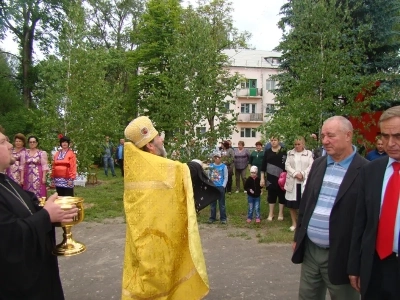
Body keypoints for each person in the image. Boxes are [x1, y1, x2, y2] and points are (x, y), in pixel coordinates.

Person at [121, 116, 211, 300]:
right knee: (154, 272)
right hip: (151, 233)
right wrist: (195, 166)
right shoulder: (150, 164)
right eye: (158, 138)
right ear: (150, 146)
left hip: (154, 229)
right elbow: (179, 172)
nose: (162, 140)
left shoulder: (139, 162)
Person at [292, 116, 368, 300]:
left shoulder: (366, 170)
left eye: (331, 136)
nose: (325, 141)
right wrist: (298, 237)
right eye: (323, 136)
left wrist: (357, 263)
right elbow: (306, 204)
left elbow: (366, 221)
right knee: (307, 296)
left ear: (348, 135)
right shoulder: (318, 164)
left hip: (341, 254)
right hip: (311, 250)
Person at [0, 128, 78, 299]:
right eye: (3, 142)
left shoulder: (5, 181)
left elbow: (28, 208)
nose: (11, 145)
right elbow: (8, 237)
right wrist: (46, 216)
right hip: (17, 284)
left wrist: (53, 211)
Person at [348, 106, 400, 300]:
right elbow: (360, 222)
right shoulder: (371, 171)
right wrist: (355, 266)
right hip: (375, 266)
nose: (390, 143)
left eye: (397, 136)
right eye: (385, 136)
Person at [284, 137, 313, 232]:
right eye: (295, 144)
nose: (297, 146)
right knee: (292, 205)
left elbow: (311, 166)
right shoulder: (290, 153)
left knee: (304, 204)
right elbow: (287, 165)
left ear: (303, 144)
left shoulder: (309, 154)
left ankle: (303, 224)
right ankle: (294, 223)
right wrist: (296, 174)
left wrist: (303, 174)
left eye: (299, 144)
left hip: (304, 181)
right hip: (293, 181)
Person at [260, 136, 287, 221]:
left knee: (281, 195)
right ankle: (271, 213)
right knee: (271, 195)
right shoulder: (267, 152)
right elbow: (263, 166)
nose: (273, 142)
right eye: (271, 140)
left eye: (275, 140)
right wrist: (262, 178)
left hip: (281, 178)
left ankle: (280, 213)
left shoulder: (284, 151)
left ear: (279, 141)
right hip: (270, 178)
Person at [208, 151, 228, 224]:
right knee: (213, 204)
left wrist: (223, 186)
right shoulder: (211, 166)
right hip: (213, 186)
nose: (217, 159)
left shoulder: (224, 167)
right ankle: (212, 217)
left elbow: (226, 177)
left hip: (220, 187)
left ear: (221, 158)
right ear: (214, 158)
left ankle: (223, 218)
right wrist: (210, 184)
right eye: (215, 157)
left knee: (221, 204)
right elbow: (209, 176)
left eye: (218, 157)